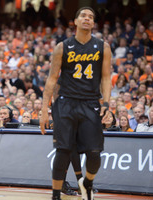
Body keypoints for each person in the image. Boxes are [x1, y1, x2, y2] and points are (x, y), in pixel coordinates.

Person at [40, 7, 111, 200]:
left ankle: (87, 183)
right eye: (83, 16)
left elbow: (106, 78)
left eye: (91, 17)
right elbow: (52, 79)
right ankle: (55, 195)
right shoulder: (62, 47)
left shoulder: (102, 47)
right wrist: (44, 109)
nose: (87, 19)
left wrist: (106, 104)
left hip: (90, 103)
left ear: (93, 23)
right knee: (63, 151)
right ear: (76, 21)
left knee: (95, 153)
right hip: (66, 102)